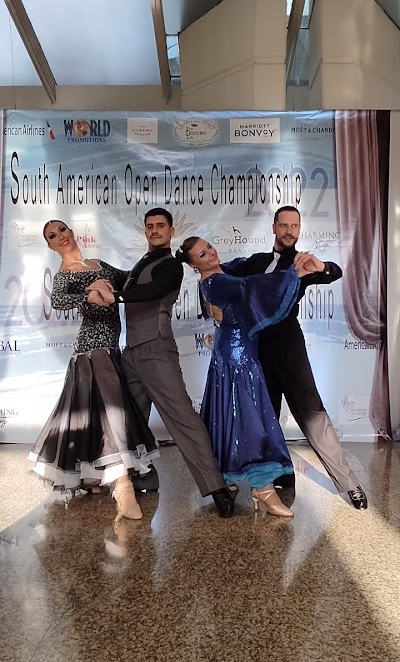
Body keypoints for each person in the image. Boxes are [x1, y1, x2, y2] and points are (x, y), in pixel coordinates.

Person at [86, 208, 238, 519]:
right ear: (145, 232)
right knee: (129, 421)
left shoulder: (170, 266)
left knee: (182, 417)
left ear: (170, 232)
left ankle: (216, 487)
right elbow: (130, 280)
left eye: (160, 226)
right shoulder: (144, 262)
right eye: (150, 226)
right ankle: (143, 477)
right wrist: (100, 267)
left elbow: (152, 290)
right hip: (132, 354)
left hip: (156, 350)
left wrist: (114, 296)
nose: (155, 230)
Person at [223, 205, 368, 510]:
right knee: (265, 417)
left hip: (289, 346)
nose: (289, 230)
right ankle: (281, 474)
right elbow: (220, 274)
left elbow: (333, 272)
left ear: (299, 230)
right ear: (274, 228)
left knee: (312, 412)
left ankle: (349, 483)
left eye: (295, 226)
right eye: (284, 225)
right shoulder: (255, 262)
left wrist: (322, 267)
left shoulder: (301, 264)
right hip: (256, 349)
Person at [29, 219, 159, 521]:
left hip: (112, 349)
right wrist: (88, 294)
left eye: (62, 230)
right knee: (113, 415)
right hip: (92, 349)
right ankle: (123, 486)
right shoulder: (66, 274)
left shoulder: (96, 263)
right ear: (49, 245)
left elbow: (129, 280)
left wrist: (157, 261)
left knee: (97, 418)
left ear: (72, 232)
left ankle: (95, 478)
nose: (59, 236)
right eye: (52, 236)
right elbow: (58, 300)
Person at [175, 236, 313, 516]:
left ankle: (228, 478)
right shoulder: (216, 282)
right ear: (193, 264)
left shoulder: (223, 270)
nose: (211, 254)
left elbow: (244, 265)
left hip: (237, 354)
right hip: (236, 357)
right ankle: (262, 489)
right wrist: (292, 273)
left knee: (230, 416)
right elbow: (252, 285)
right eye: (203, 254)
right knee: (249, 420)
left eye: (210, 247)